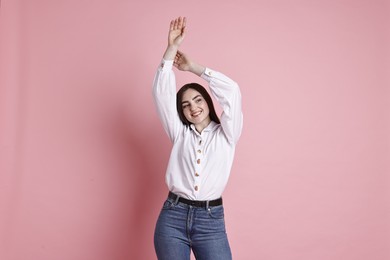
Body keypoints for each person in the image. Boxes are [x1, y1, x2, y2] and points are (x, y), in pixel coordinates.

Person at [152, 16, 243, 260]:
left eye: (198, 99)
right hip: (172, 217)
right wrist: (171, 49)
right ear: (181, 112)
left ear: (207, 100)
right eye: (185, 105)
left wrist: (194, 68)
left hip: (210, 221)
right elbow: (161, 94)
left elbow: (232, 92)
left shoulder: (227, 134)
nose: (193, 107)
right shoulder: (180, 133)